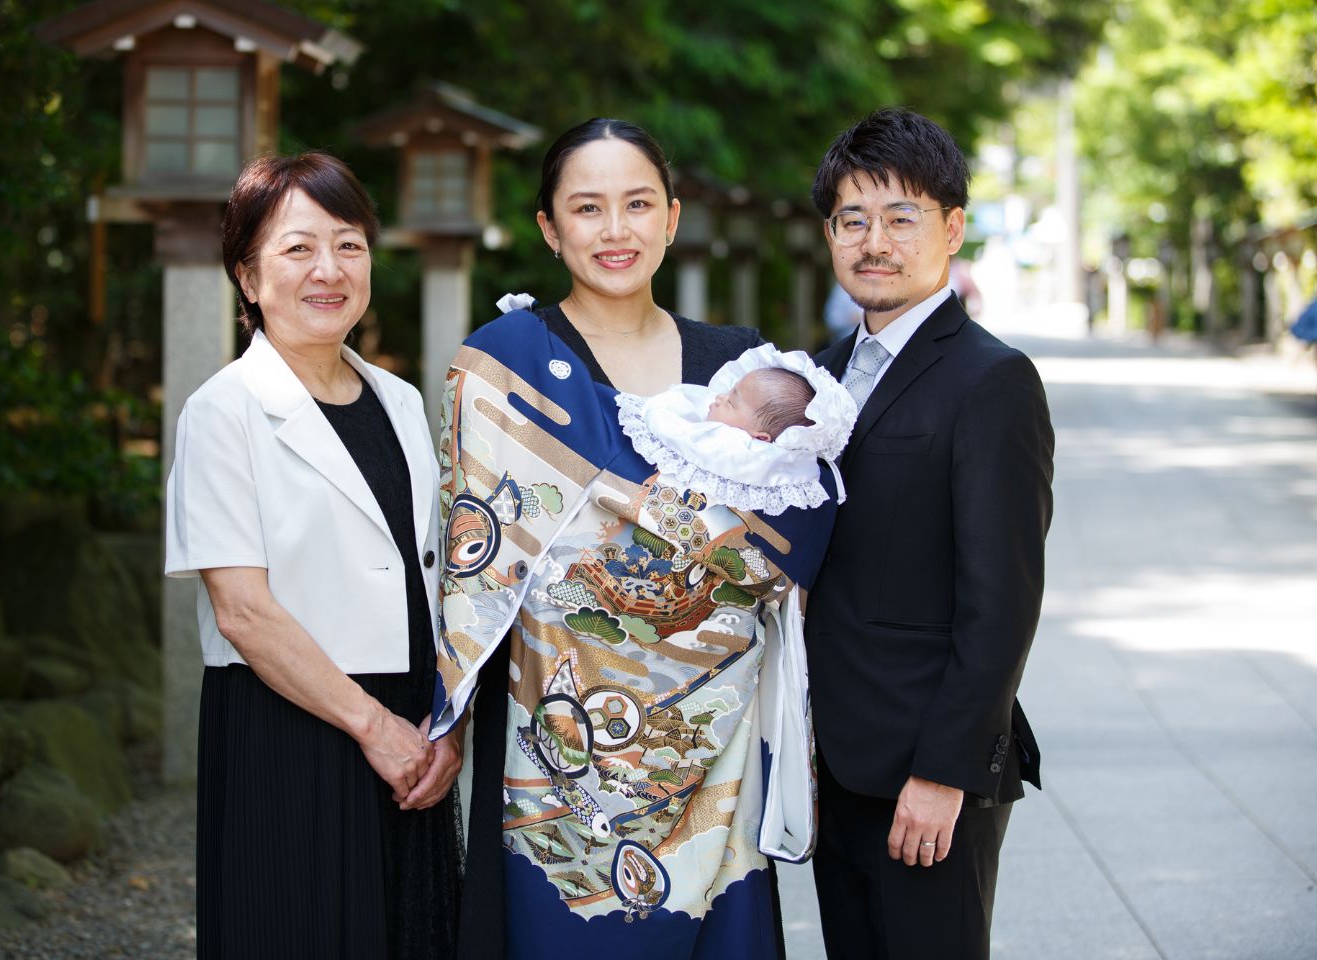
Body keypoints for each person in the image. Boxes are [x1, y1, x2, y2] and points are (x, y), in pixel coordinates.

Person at [432, 119, 840, 959]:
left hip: (711, 742)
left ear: (672, 217)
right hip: (556, 736)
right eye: (588, 208)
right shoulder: (502, 364)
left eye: (637, 204)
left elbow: (799, 526)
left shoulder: (736, 367)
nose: (615, 231)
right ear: (550, 228)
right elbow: (474, 551)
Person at [164, 152, 462, 959]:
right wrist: (375, 728)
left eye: (349, 244)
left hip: (411, 728)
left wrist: (446, 726)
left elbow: (432, 577)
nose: (329, 269)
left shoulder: (400, 401)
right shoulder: (222, 411)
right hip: (290, 723)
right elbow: (245, 612)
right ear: (249, 279)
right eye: (298, 249)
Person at [805, 108, 1055, 959]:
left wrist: (944, 772)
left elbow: (1004, 600)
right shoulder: (819, 373)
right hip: (831, 760)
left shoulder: (993, 380)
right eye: (851, 219)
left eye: (901, 216)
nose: (874, 240)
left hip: (928, 768)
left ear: (952, 229)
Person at [614, 342, 857, 514]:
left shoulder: (734, 448)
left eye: (731, 402)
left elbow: (672, 427)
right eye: (729, 391)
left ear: (759, 438)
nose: (719, 397)